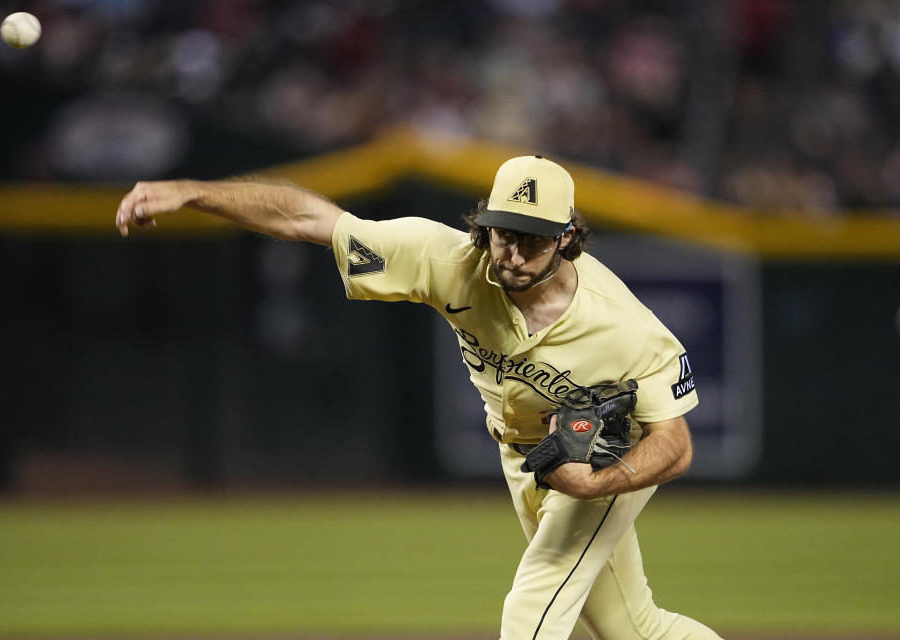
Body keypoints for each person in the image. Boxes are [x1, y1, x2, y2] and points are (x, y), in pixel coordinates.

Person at [115, 155, 722, 640]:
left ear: (567, 240)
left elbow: (675, 443)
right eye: (501, 234)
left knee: (535, 601)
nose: (510, 253)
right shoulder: (449, 260)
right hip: (522, 457)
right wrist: (193, 191)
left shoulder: (627, 330)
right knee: (634, 630)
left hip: (604, 463)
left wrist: (595, 484)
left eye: (531, 241)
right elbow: (306, 218)